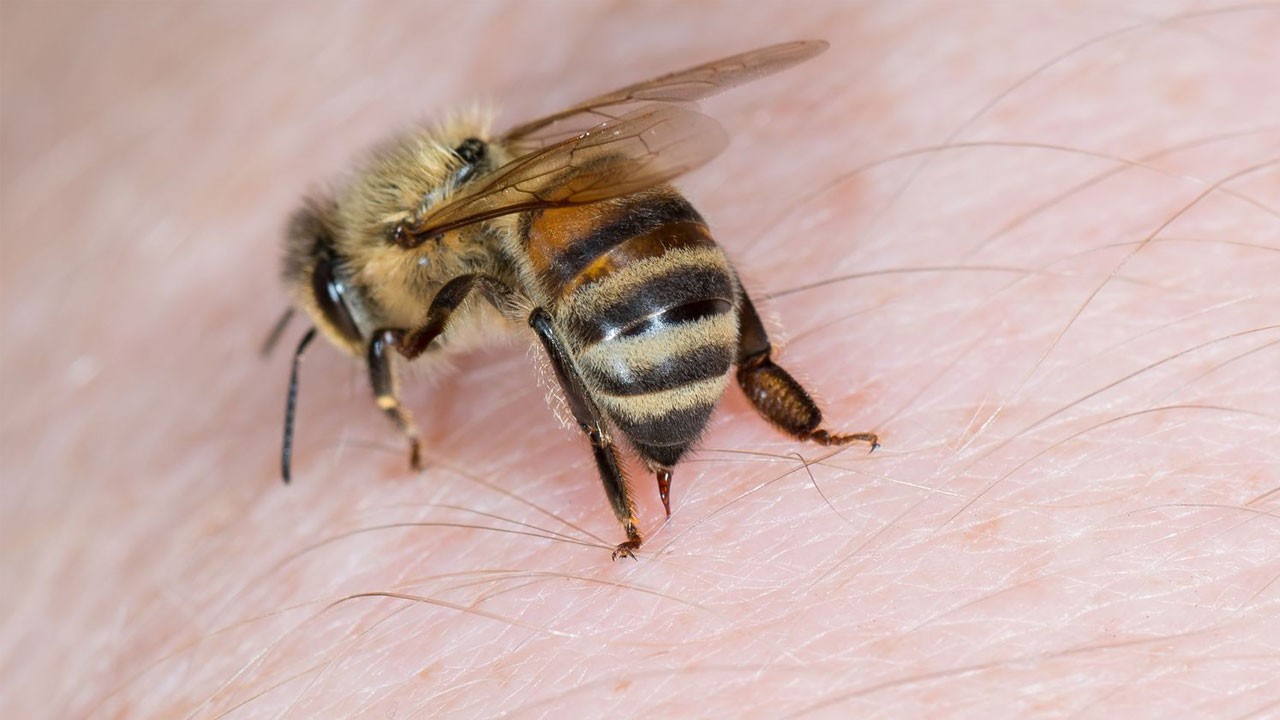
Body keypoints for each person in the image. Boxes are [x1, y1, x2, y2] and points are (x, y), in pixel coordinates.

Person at [3, 2, 1275, 717]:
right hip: (620, 241)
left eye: (354, 315)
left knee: (564, 306)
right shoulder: (480, 183)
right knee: (589, 279)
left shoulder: (418, 253)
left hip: (611, 289)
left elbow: (460, 318)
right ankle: (788, 413)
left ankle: (631, 499)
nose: (372, 335)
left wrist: (403, 405)